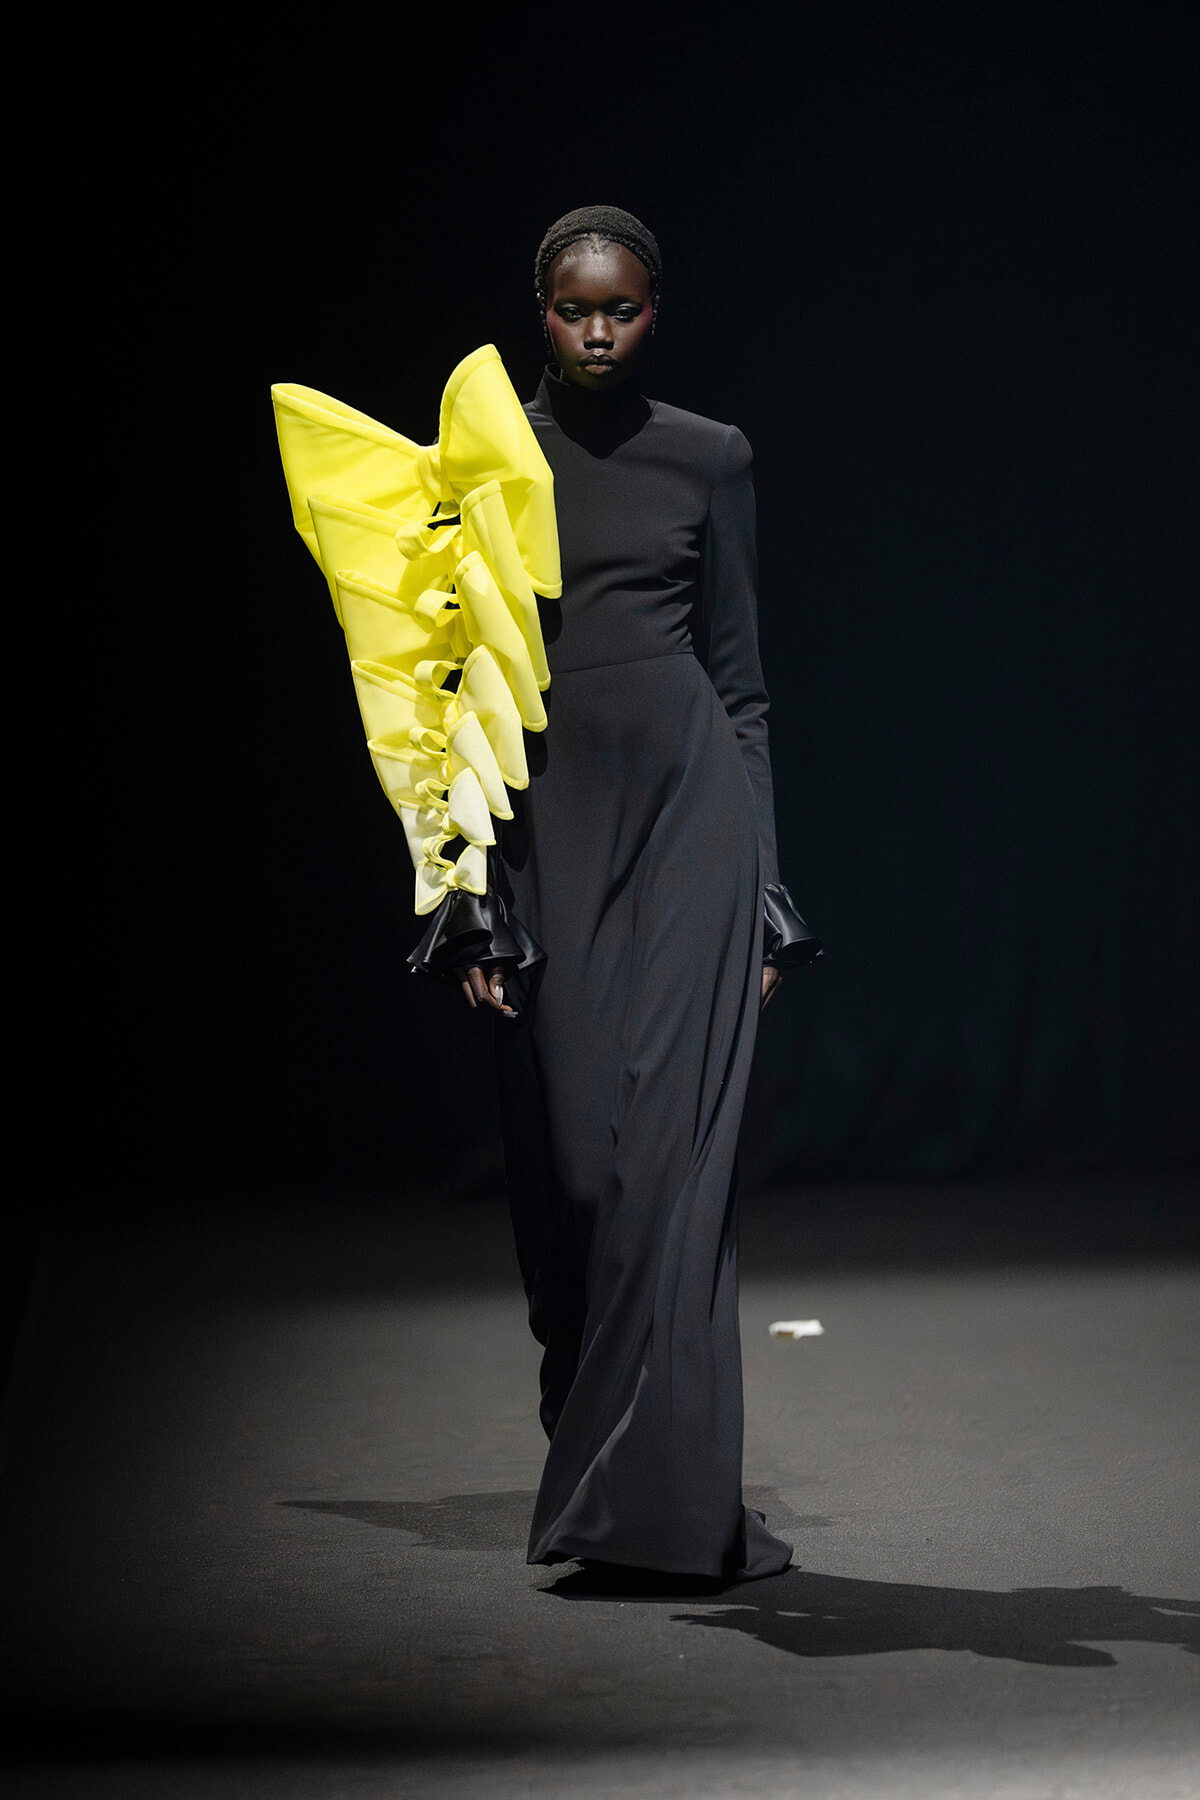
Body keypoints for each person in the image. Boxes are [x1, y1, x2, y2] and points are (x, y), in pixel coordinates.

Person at [412, 206, 821, 1587]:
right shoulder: (484, 462)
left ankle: (649, 1506)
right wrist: (460, 892)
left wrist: (766, 886)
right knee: (578, 1174)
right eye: (577, 307)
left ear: (657, 310)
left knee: (673, 1172)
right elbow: (438, 692)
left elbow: (744, 686)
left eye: (626, 309)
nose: (599, 330)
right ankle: (589, 1448)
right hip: (545, 833)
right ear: (539, 306)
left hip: (693, 823)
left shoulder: (712, 458)